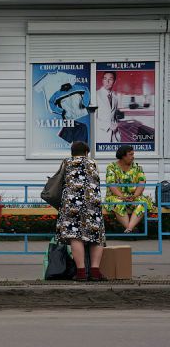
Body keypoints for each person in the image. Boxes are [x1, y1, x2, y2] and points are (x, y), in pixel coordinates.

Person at [56, 141, 106, 281]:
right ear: (86, 152)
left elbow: (60, 181)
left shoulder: (66, 162)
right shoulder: (93, 163)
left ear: (72, 152)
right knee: (95, 234)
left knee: (75, 235)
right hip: (92, 202)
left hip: (72, 202)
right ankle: (95, 272)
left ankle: (81, 272)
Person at [104, 145, 153, 233]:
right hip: (116, 196)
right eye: (130, 154)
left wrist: (135, 196)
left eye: (133, 154)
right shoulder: (111, 167)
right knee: (118, 203)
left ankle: (129, 228)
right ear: (123, 156)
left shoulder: (137, 167)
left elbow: (141, 183)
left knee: (142, 202)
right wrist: (122, 196)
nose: (133, 157)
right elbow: (111, 184)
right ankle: (131, 229)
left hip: (133, 196)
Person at [96, 71, 121, 143]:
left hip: (114, 136)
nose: (107, 81)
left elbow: (114, 117)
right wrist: (108, 125)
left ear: (114, 81)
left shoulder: (115, 98)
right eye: (105, 79)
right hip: (101, 135)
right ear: (102, 80)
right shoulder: (96, 95)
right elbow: (92, 118)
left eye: (110, 79)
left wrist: (116, 129)